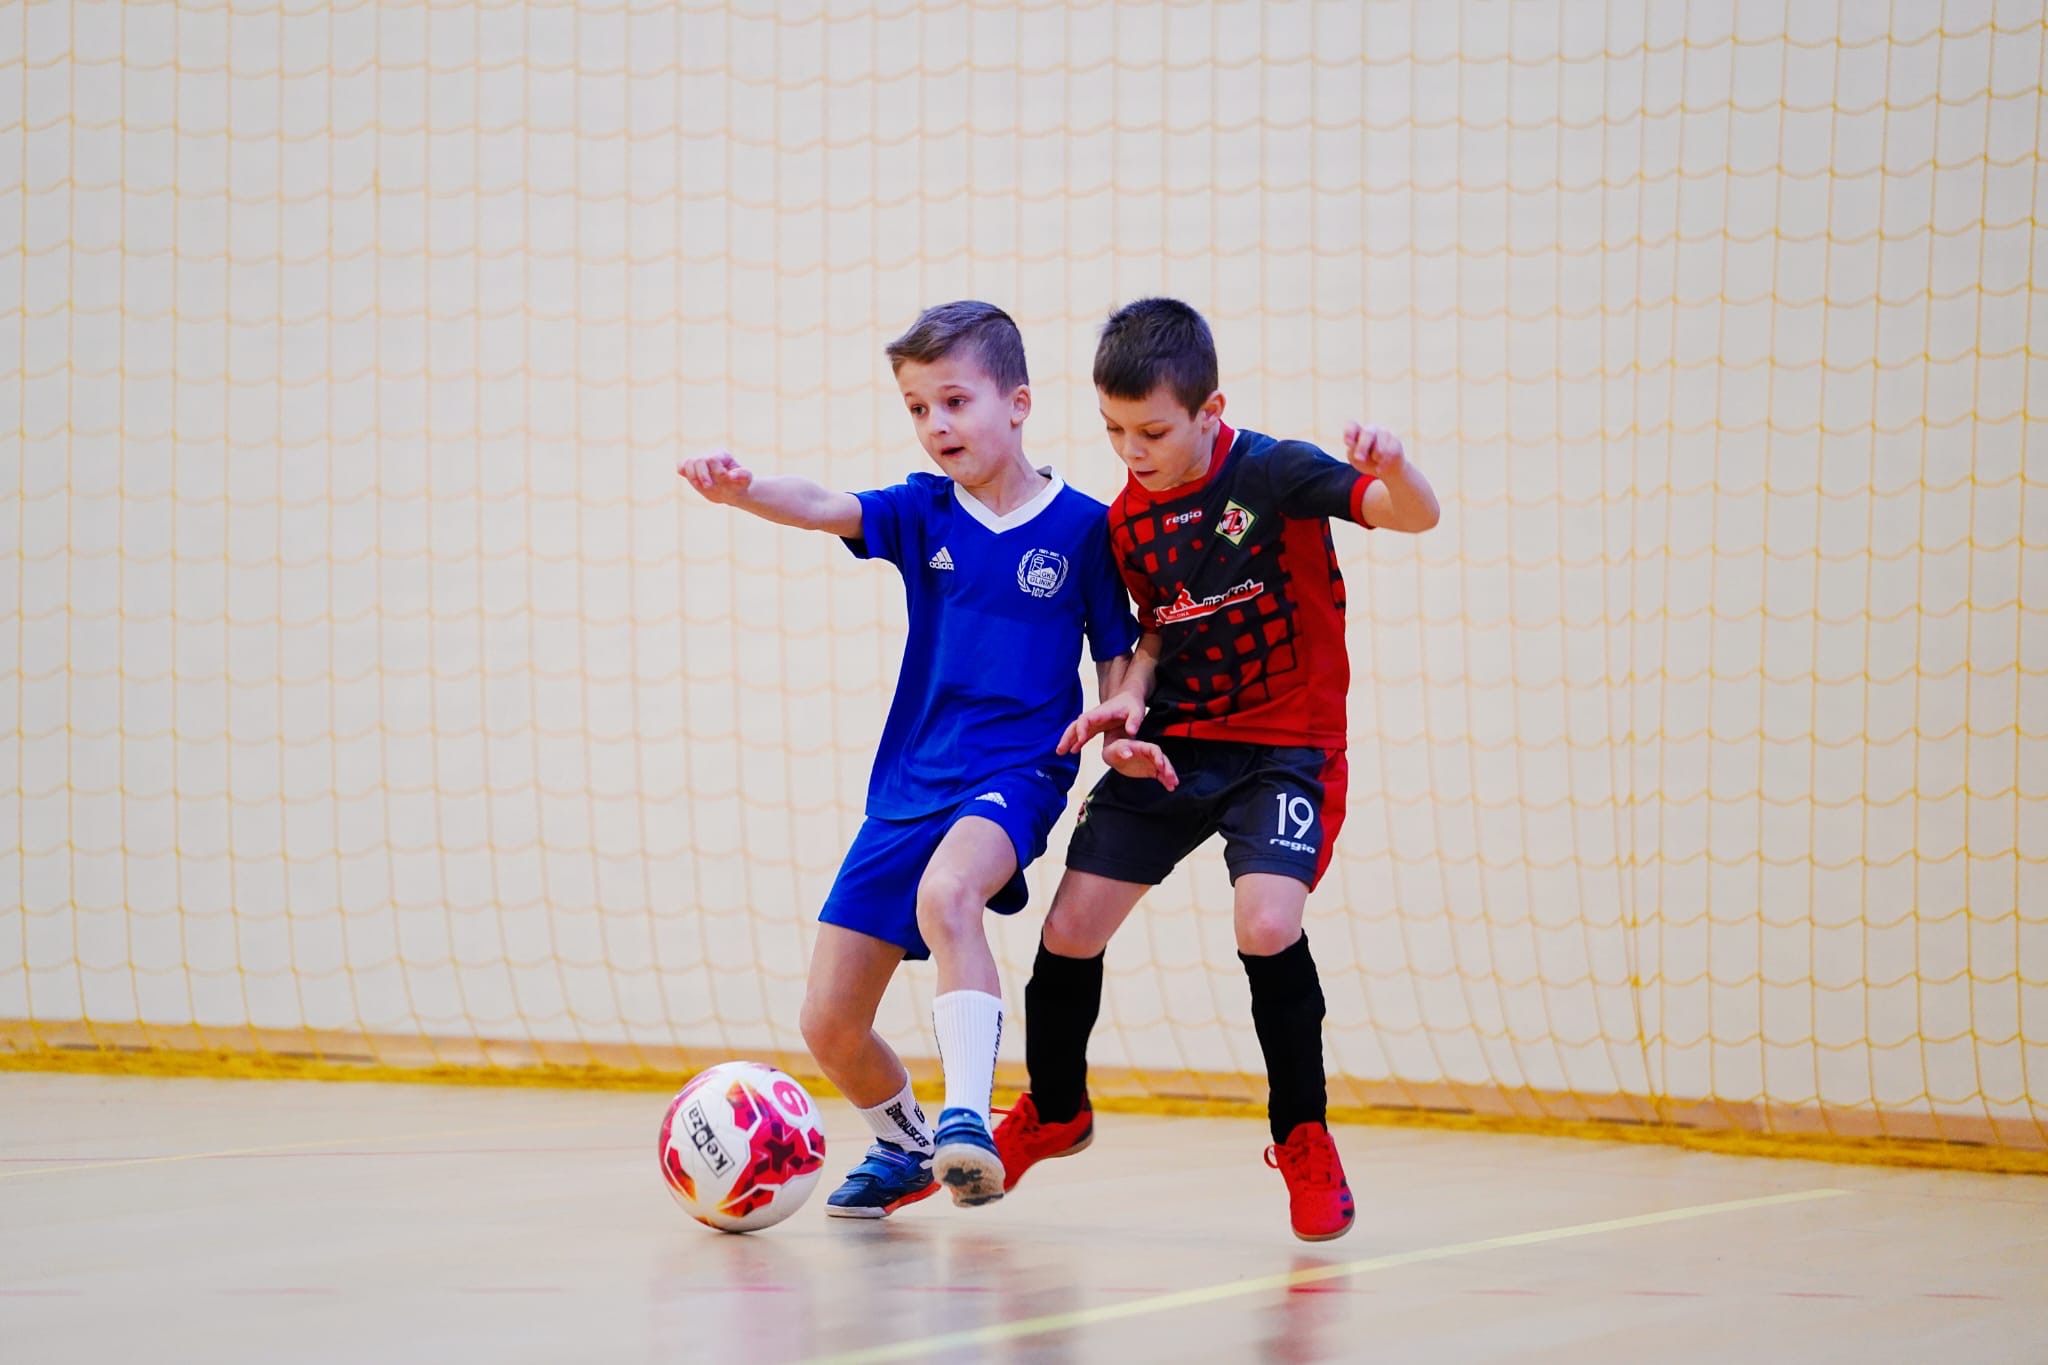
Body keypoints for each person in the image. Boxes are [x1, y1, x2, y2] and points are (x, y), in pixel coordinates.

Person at [991, 297, 1441, 1241]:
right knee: (1069, 927)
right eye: (1114, 431)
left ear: (1210, 410)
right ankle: (1057, 1107)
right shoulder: (1127, 519)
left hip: (1286, 749)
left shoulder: (1274, 471)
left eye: (1153, 431)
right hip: (1177, 744)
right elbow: (1157, 632)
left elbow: (1411, 516)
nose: (1132, 451)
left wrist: (1395, 466)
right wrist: (1127, 702)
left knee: (1266, 921)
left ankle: (1303, 1135)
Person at [678, 301, 1139, 1216]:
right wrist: (745, 489)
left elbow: (1117, 654)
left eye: (955, 402)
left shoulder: (1087, 528)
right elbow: (823, 505)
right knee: (829, 1021)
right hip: (909, 786)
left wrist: (1120, 727)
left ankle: (967, 1118)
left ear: (1018, 403)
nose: (936, 425)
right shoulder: (923, 511)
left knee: (949, 893)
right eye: (918, 408)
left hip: (1018, 771)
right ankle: (905, 1142)